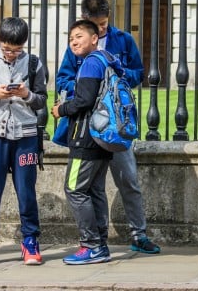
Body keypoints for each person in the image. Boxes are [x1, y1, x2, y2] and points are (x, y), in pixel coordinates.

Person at [56, 0, 160, 255]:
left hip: (115, 125)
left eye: (105, 23)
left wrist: (115, 75)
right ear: (85, 20)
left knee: (128, 180)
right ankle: (98, 241)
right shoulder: (77, 45)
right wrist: (86, 86)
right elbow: (62, 80)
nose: (102, 29)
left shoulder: (122, 40)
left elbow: (138, 72)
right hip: (88, 128)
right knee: (93, 187)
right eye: (97, 24)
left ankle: (139, 234)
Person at [51, 20, 121, 264]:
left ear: (94, 38)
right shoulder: (107, 59)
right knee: (95, 190)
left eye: (79, 36)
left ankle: (90, 245)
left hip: (85, 138)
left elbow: (84, 100)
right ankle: (100, 244)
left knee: (74, 189)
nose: (73, 41)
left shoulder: (91, 63)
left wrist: (61, 109)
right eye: (71, 38)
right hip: (102, 138)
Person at [0, 17, 46, 265]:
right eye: (7, 49)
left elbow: (42, 100)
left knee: (26, 191)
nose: (12, 54)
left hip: (25, 136)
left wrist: (26, 94)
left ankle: (30, 241)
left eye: (17, 50)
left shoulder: (34, 63)